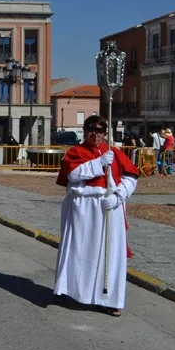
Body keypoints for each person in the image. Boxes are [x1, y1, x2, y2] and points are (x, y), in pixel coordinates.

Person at [54, 115, 139, 317]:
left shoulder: (115, 153)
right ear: (84, 131)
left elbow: (132, 176)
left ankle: (108, 299)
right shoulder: (75, 152)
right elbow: (72, 175)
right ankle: (73, 290)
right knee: (80, 249)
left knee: (109, 253)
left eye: (99, 130)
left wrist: (119, 195)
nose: (94, 133)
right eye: (90, 129)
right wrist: (98, 163)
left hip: (110, 205)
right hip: (84, 207)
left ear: (104, 133)